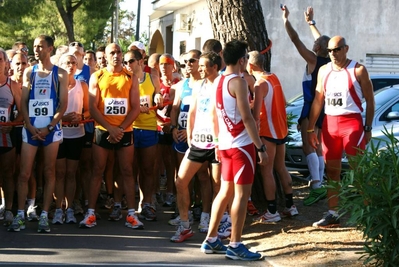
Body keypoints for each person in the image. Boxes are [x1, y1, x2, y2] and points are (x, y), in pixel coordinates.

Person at [200, 40, 267, 261]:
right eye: (246, 58)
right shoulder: (237, 81)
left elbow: (215, 115)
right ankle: (235, 244)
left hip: (227, 145)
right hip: (241, 146)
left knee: (225, 191)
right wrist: (260, 147)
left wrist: (218, 143)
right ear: (241, 60)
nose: (247, 61)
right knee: (240, 194)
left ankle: (211, 238)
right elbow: (247, 118)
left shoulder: (218, 80)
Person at [308, 36, 375, 228]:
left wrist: (368, 127)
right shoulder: (323, 70)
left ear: (346, 48)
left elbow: (370, 100)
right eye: (330, 50)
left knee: (358, 172)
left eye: (337, 49)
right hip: (330, 124)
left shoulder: (358, 69)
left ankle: (367, 214)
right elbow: (318, 101)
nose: (333, 54)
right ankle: (333, 213)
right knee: (332, 172)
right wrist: (311, 128)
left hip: (352, 123)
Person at [8, 35, 68, 233]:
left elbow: (63, 104)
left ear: (50, 49)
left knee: (49, 171)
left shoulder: (61, 74)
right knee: (24, 172)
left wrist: (49, 127)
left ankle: (44, 215)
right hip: (31, 128)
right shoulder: (29, 72)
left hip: (50, 129)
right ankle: (20, 214)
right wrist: (29, 125)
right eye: (34, 46)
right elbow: (23, 102)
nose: (36, 50)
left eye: (40, 46)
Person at [79, 43, 142, 229]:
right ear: (105, 56)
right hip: (103, 130)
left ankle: (131, 214)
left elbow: (135, 107)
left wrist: (120, 128)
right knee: (97, 170)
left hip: (125, 131)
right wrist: (110, 128)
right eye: (112, 53)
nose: (116, 55)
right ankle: (90, 213)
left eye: (119, 52)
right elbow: (93, 107)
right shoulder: (96, 76)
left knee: (127, 171)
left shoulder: (131, 77)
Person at [170, 52, 221, 242]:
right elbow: (192, 112)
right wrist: (190, 137)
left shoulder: (222, 84)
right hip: (198, 142)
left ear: (214, 67)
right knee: (181, 181)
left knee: (219, 185)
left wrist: (219, 140)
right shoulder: (198, 86)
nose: (199, 69)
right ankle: (184, 226)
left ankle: (219, 223)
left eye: (202, 66)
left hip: (217, 143)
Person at [282, 5, 330, 205]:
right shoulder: (328, 61)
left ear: (318, 48)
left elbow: (295, 40)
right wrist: (311, 23)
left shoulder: (313, 59)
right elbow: (324, 41)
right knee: (317, 145)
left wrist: (286, 20)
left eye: (316, 42)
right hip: (323, 107)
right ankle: (319, 183)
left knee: (308, 146)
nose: (314, 41)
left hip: (311, 105)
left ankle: (316, 185)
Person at [248, 51, 298, 223]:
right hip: (281, 129)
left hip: (268, 132)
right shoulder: (274, 77)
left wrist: (250, 105)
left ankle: (271, 211)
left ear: (251, 65)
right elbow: (282, 101)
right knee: (281, 167)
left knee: (267, 170)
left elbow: (255, 115)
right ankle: (291, 206)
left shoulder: (259, 84)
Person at [52, 54, 89, 225]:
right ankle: (59, 209)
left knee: (71, 173)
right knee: (59, 173)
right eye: (67, 63)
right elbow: (48, 111)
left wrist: (81, 115)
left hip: (76, 135)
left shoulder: (82, 85)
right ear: (60, 65)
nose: (71, 65)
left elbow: (90, 111)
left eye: (74, 63)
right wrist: (62, 117)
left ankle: (70, 208)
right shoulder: (55, 86)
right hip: (59, 135)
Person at [128, 49, 162, 221]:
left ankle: (147, 203)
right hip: (131, 128)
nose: (128, 65)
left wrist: (158, 96)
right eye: (126, 62)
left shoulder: (152, 78)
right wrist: (134, 108)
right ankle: (130, 207)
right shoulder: (125, 80)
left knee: (148, 169)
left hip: (148, 127)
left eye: (131, 61)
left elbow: (159, 93)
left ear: (141, 61)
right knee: (130, 169)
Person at [0, 49, 23, 227]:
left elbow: (23, 112)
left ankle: (8, 209)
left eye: (0, 60)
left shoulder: (12, 84)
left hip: (6, 136)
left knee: (8, 173)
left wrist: (13, 124)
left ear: (6, 63)